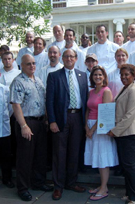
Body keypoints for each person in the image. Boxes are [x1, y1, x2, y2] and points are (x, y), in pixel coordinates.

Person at [46, 49, 88, 201]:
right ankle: (58, 186)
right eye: (66, 56)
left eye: (72, 56)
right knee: (59, 153)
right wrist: (52, 121)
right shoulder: (54, 76)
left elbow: (86, 99)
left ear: (76, 59)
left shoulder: (83, 76)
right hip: (61, 119)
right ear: (62, 58)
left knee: (74, 152)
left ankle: (71, 182)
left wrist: (86, 122)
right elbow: (49, 101)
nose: (69, 58)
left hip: (78, 118)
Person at [10, 54, 52, 202]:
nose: (32, 66)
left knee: (40, 155)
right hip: (27, 123)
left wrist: (46, 120)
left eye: (34, 63)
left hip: (40, 122)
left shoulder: (38, 80)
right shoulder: (18, 82)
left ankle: (38, 183)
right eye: (29, 64)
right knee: (25, 158)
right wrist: (23, 125)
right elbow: (16, 104)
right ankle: (22, 188)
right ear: (22, 65)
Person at [108, 64, 135, 204]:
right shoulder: (125, 89)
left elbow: (129, 116)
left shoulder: (134, 91)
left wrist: (115, 131)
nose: (123, 77)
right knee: (126, 165)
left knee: (129, 165)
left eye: (126, 75)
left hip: (131, 133)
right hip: (124, 133)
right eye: (121, 75)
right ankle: (130, 193)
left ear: (134, 76)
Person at [84, 65, 118, 201]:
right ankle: (102, 185)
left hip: (101, 127)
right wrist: (86, 126)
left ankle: (104, 188)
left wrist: (92, 129)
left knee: (103, 159)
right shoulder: (91, 92)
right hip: (90, 126)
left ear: (104, 77)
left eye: (100, 75)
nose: (97, 77)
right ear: (92, 77)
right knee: (97, 157)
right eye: (95, 75)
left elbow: (104, 113)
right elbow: (87, 110)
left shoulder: (106, 91)